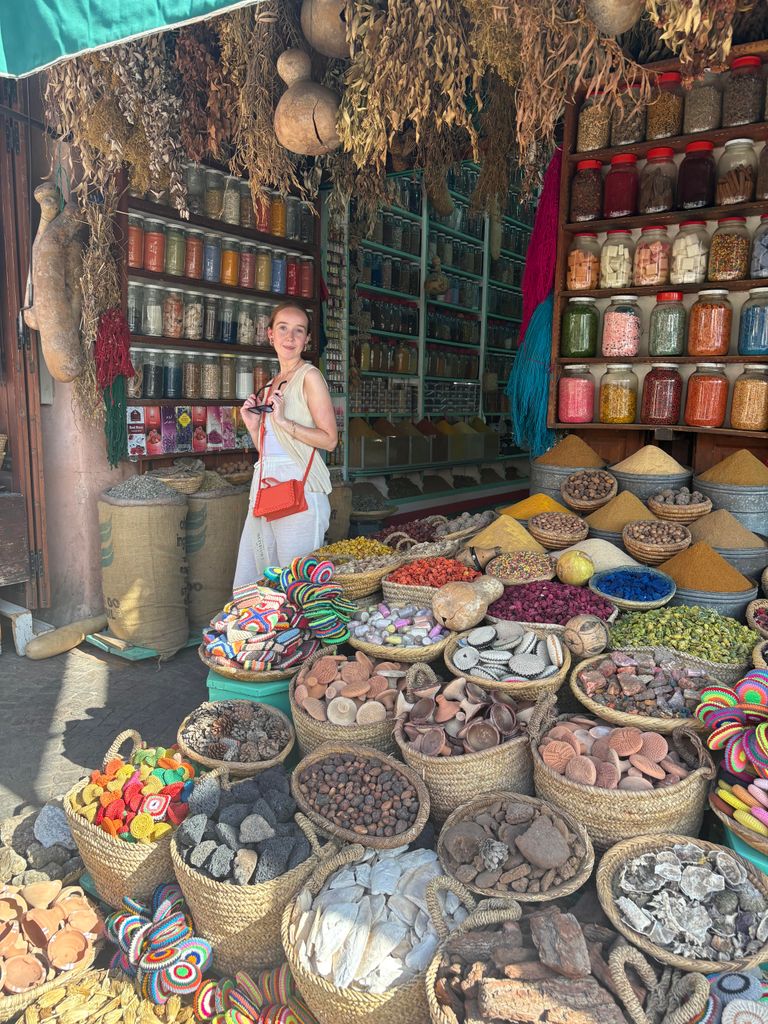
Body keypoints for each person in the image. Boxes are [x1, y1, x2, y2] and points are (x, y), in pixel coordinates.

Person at [233, 302, 338, 587]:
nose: (290, 337)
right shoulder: (269, 385)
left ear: (306, 339)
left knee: (296, 584)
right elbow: (271, 452)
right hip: (267, 489)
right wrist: (254, 426)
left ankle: (294, 633)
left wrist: (284, 421)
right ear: (270, 335)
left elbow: (329, 439)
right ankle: (260, 632)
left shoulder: (310, 377)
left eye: (298, 331)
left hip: (300, 492)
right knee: (255, 577)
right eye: (283, 328)